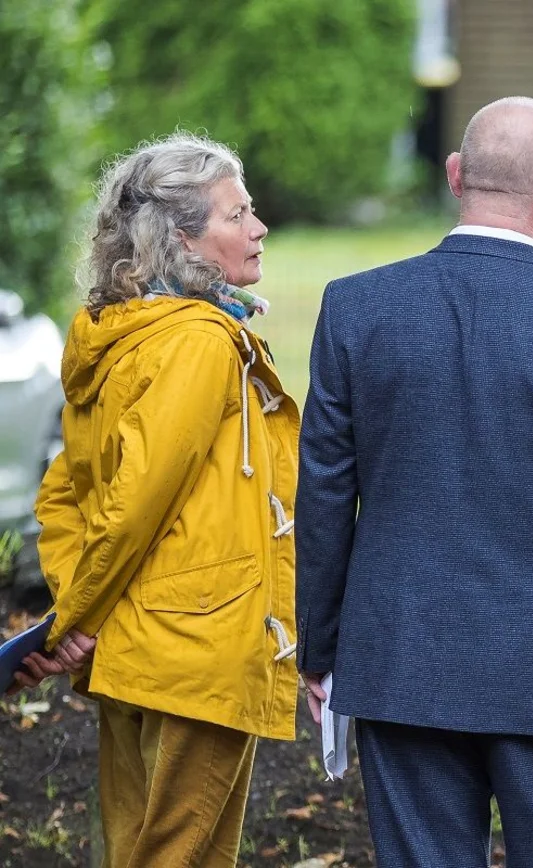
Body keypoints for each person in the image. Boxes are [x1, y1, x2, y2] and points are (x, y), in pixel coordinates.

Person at [295, 96, 533, 867]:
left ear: (457, 174)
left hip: (399, 652)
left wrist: (322, 650)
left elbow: (325, 497)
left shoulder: (356, 309)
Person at [13, 132, 299, 868]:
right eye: (237, 214)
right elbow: (134, 504)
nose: (260, 227)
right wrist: (73, 622)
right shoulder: (198, 342)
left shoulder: (119, 334)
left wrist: (76, 614)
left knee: (136, 848)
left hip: (137, 643)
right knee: (180, 856)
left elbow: (67, 494)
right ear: (182, 239)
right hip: (198, 646)